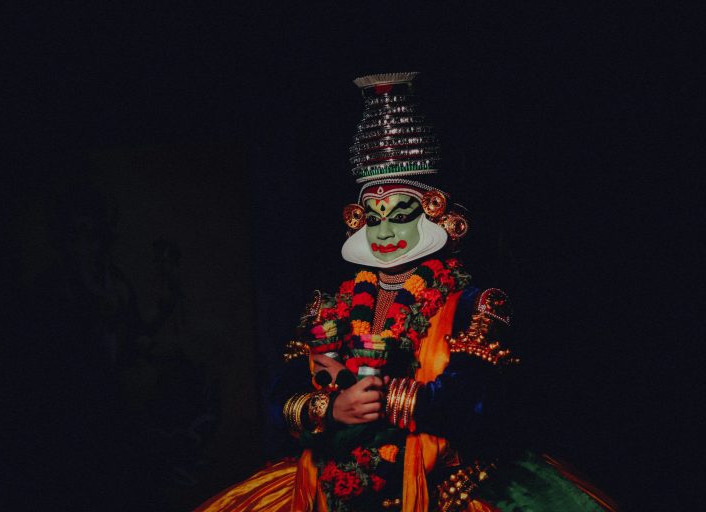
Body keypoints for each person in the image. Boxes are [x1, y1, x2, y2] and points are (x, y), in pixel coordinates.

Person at [194, 73, 616, 512]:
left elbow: (477, 403)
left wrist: (381, 400)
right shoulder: (331, 306)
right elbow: (281, 395)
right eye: (373, 217)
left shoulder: (475, 303)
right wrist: (332, 408)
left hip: (444, 489)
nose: (384, 232)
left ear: (434, 213)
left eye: (399, 215)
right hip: (334, 486)